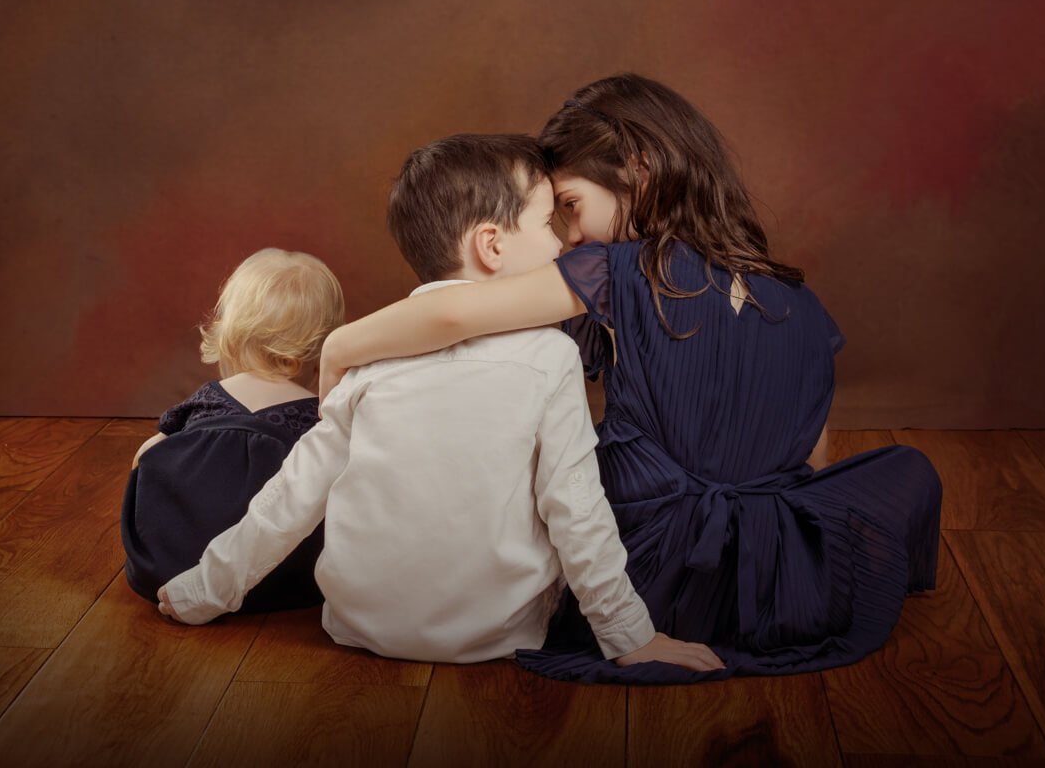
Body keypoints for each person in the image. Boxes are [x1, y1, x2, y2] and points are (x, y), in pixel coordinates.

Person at [318, 75, 943, 683]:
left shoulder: (619, 267)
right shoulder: (798, 300)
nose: (571, 234)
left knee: (548, 469)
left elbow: (451, 311)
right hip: (783, 583)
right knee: (898, 471)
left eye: (571, 205)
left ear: (638, 166)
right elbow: (812, 451)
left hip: (656, 577)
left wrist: (337, 349)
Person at [158, 134, 721, 673]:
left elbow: (290, 497)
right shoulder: (550, 356)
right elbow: (577, 509)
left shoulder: (371, 360)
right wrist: (631, 636)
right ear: (492, 244)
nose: (561, 242)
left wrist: (203, 591)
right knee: (560, 500)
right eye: (547, 222)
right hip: (498, 632)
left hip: (361, 624)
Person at [121, 247, 344, 612]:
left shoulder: (206, 401)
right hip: (288, 578)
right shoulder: (317, 418)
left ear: (230, 332)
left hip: (168, 569)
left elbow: (148, 454)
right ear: (322, 349)